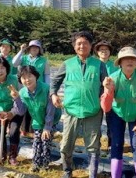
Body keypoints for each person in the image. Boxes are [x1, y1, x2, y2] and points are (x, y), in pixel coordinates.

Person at [50, 31, 107, 178]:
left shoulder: (99, 65)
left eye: (85, 43)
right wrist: (53, 94)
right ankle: (67, 172)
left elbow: (105, 85)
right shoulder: (67, 64)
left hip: (93, 111)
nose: (82, 46)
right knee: (65, 146)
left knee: (94, 147)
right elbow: (55, 81)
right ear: (74, 46)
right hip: (71, 110)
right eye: (79, 43)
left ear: (90, 45)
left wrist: (103, 97)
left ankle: (92, 174)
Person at [101, 46, 136, 178]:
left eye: (133, 59)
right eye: (126, 59)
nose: (130, 61)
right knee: (117, 143)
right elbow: (106, 108)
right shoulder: (113, 78)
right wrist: (108, 91)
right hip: (117, 114)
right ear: (120, 62)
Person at [11, 66, 60, 172]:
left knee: (46, 141)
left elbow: (50, 110)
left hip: (51, 119)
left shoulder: (47, 89)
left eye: (30, 76)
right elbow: (21, 111)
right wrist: (17, 98)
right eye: (24, 78)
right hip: (37, 119)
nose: (27, 80)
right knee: (37, 142)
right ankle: (36, 164)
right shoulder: (23, 92)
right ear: (20, 80)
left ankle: (45, 165)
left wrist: (47, 127)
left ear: (36, 76)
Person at [13, 40, 51, 137]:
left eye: (36, 47)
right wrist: (21, 51)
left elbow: (46, 75)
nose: (34, 49)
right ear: (29, 48)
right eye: (32, 47)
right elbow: (14, 63)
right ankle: (24, 130)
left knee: (38, 108)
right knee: (25, 108)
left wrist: (48, 89)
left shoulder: (44, 61)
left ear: (39, 49)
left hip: (40, 89)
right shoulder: (24, 58)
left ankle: (37, 130)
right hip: (25, 88)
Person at [93, 40, 118, 155]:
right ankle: (95, 146)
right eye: (101, 50)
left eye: (106, 50)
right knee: (95, 124)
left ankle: (110, 147)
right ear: (97, 52)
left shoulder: (115, 66)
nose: (104, 52)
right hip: (96, 99)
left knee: (111, 124)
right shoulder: (93, 64)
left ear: (110, 52)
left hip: (111, 100)